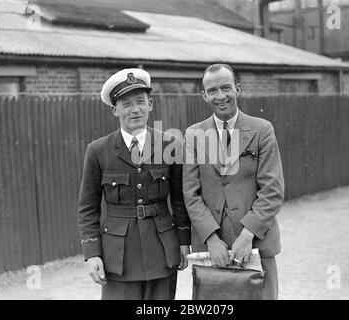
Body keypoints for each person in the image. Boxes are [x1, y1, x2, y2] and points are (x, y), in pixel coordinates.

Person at [78, 68, 191, 300]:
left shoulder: (170, 144)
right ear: (114, 110)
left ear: (150, 104)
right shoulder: (98, 150)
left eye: (141, 102)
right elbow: (88, 208)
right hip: (118, 256)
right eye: (126, 104)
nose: (135, 109)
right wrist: (92, 254)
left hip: (162, 250)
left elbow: (179, 199)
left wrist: (183, 241)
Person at [182, 63, 284, 300]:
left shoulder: (262, 130)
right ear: (204, 95)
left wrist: (248, 235)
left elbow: (273, 190)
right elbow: (191, 193)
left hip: (256, 242)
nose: (221, 96)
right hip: (212, 249)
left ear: (237, 89)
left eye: (226, 88)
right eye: (213, 90)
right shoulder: (193, 135)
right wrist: (211, 239)